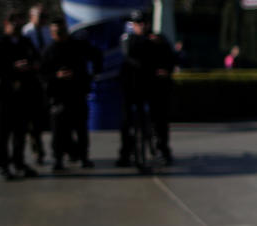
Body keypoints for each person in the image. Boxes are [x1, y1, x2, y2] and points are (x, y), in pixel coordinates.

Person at [40, 17, 103, 171]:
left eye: (61, 31)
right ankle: (58, 159)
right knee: (59, 131)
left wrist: (92, 74)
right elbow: (42, 74)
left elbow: (96, 55)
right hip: (58, 96)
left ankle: (83, 157)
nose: (59, 34)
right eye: (55, 32)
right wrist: (57, 76)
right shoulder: (49, 50)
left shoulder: (77, 45)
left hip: (77, 92)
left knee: (81, 128)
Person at [0, 9, 41, 180]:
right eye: (13, 23)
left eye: (18, 23)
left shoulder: (25, 42)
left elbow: (37, 59)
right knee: (2, 132)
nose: (16, 27)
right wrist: (12, 68)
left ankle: (19, 163)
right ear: (6, 24)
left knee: (20, 132)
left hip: (22, 95)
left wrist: (30, 66)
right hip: (3, 95)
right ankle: (3, 165)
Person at [116, 10, 176, 167]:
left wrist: (165, 70)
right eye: (137, 24)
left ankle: (162, 149)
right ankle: (126, 152)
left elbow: (170, 59)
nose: (141, 27)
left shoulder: (158, 40)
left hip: (152, 87)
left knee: (159, 119)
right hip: (131, 87)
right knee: (126, 121)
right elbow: (128, 54)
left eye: (144, 23)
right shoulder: (129, 39)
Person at [21, 3, 52, 165]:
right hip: (31, 79)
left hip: (46, 78)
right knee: (33, 120)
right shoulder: (26, 32)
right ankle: (37, 151)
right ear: (31, 17)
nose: (44, 20)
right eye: (41, 17)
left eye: (45, 17)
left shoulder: (48, 31)